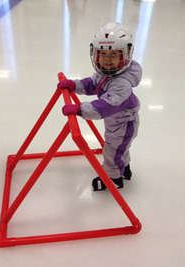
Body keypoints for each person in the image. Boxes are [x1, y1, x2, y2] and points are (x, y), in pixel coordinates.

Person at [57, 22, 142, 191]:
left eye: (113, 55)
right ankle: (124, 169)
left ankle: (112, 179)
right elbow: (92, 84)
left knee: (112, 151)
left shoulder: (122, 84)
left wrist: (80, 109)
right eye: (102, 54)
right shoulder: (105, 73)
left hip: (124, 124)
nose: (107, 60)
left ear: (125, 55)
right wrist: (74, 85)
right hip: (116, 122)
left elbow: (105, 106)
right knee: (118, 148)